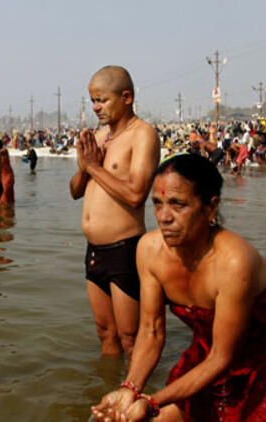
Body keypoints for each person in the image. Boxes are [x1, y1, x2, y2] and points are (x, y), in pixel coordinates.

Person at [91, 153, 266, 422]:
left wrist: (152, 401)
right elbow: (152, 331)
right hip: (213, 343)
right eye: (157, 204)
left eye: (177, 204)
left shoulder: (235, 261)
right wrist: (130, 390)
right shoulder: (149, 250)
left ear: (210, 208)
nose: (164, 217)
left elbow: (221, 357)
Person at [69, 65, 160, 358]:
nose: (96, 107)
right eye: (93, 101)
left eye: (102, 100)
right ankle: (107, 395)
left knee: (131, 339)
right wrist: (85, 166)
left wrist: (94, 167)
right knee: (105, 335)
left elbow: (136, 195)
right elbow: (74, 190)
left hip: (125, 250)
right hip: (94, 250)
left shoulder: (143, 134)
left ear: (127, 97)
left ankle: (139, 399)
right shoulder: (97, 137)